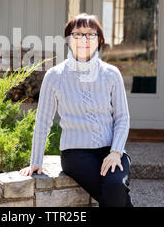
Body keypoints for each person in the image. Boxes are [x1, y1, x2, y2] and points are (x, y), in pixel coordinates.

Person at [19, 13, 133, 207]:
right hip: (76, 155)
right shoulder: (54, 76)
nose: (84, 39)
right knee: (113, 194)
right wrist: (36, 161)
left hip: (111, 150)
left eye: (90, 34)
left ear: (100, 40)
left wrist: (115, 152)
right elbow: (43, 121)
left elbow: (122, 118)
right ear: (68, 39)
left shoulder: (111, 74)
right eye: (78, 34)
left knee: (115, 187)